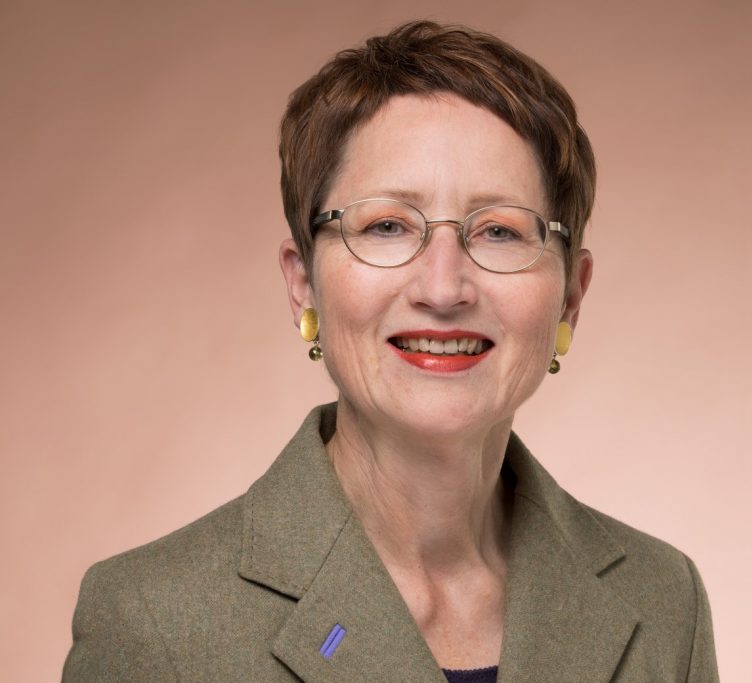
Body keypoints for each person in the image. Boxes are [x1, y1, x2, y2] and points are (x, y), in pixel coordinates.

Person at [63, 21, 718, 682]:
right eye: (386, 226)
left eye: (499, 231)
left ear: (570, 297)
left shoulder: (666, 602)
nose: (443, 287)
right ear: (302, 283)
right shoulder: (153, 623)